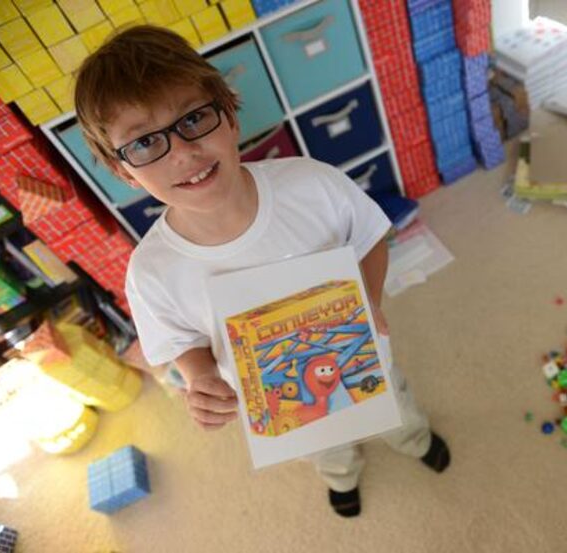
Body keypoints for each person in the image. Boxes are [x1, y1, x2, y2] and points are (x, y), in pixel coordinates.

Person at [74, 25, 450, 518]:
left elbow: (369, 236)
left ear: (229, 115)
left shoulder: (311, 184)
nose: (183, 153)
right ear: (123, 171)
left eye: (193, 119)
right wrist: (202, 377)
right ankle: (342, 476)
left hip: (359, 354)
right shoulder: (151, 272)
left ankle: (414, 439)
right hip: (279, 397)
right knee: (322, 444)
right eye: (144, 143)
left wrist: (369, 299)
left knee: (395, 405)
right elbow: (179, 342)